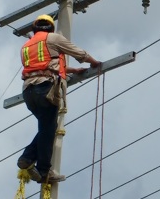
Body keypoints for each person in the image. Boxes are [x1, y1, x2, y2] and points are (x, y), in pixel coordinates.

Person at [17, 14, 100, 183]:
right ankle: (42, 170)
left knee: (47, 128)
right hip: (45, 88)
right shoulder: (53, 38)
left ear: (35, 28)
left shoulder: (26, 46)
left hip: (29, 92)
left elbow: (43, 65)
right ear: (50, 27)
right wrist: (93, 62)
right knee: (48, 129)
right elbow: (79, 52)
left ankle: (29, 159)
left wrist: (72, 71)